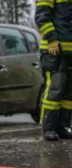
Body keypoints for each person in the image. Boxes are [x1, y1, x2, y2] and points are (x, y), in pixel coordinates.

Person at [35, 0, 72, 141]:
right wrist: (51, 38)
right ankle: (48, 127)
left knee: (68, 94)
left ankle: (62, 126)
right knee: (54, 90)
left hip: (69, 52)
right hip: (55, 51)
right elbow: (42, 17)